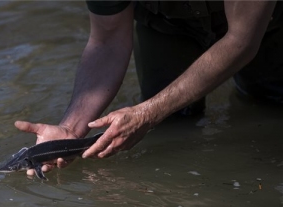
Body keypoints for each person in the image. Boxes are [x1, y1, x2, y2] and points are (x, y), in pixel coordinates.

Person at [15, 1, 283, 176]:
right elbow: (107, 40)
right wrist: (71, 129)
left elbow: (241, 40)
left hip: (267, 21)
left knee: (267, 106)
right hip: (167, 24)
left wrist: (146, 113)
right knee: (173, 123)